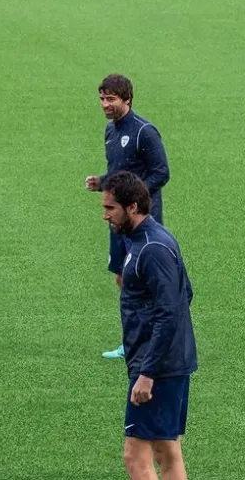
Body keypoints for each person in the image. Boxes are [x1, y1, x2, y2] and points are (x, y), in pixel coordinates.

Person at [100, 172, 196, 480]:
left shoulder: (152, 248)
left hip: (158, 367)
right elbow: (186, 293)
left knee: (134, 456)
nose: (105, 216)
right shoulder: (144, 240)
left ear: (132, 207)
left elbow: (170, 312)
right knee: (165, 450)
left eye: (110, 208)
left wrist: (148, 373)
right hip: (164, 361)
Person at [85, 74, 170, 359]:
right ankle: (133, 340)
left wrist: (134, 197)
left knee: (143, 278)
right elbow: (121, 171)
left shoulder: (144, 131)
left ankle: (156, 337)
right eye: (102, 99)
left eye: (111, 99)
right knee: (123, 277)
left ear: (127, 100)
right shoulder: (111, 132)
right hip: (118, 219)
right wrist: (102, 182)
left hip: (140, 218)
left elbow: (161, 172)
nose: (105, 104)